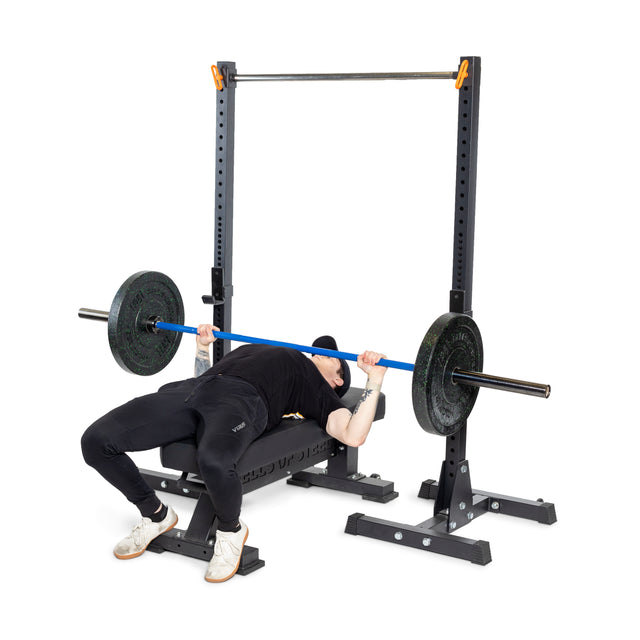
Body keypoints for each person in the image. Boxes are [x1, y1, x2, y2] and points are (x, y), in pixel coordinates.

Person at [81, 325, 387, 583]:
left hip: (244, 403)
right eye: (320, 351)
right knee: (96, 440)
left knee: (213, 460)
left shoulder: (319, 391)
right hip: (195, 389)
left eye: (333, 360)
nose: (320, 353)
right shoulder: (260, 350)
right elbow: (208, 373)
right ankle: (156, 514)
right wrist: (203, 348)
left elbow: (353, 434)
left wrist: (374, 378)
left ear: (337, 381)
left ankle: (230, 533)